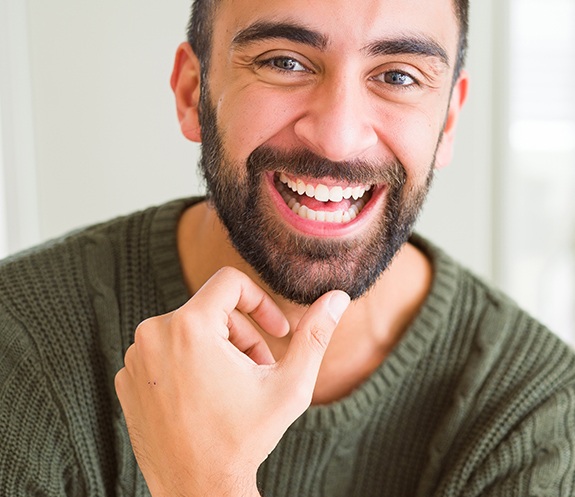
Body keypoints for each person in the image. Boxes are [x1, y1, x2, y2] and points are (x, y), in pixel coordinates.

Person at [1, 0, 575, 495]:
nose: (338, 136)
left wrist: (203, 484)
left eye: (398, 76)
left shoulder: (536, 411)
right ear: (191, 92)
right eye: (285, 62)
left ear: (448, 120)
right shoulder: (18, 337)